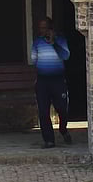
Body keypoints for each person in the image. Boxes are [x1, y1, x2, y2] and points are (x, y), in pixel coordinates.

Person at [30, 17, 70, 148]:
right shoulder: (37, 42)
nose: (42, 30)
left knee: (62, 109)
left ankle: (63, 129)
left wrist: (54, 43)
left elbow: (66, 56)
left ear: (50, 28)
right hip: (43, 81)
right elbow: (34, 59)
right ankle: (49, 140)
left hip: (58, 80)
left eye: (45, 28)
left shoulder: (61, 40)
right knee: (43, 111)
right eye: (40, 28)